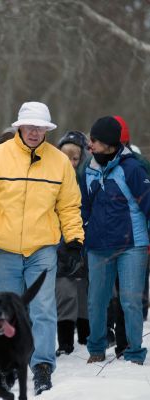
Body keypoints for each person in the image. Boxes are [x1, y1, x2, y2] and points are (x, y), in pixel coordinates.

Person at [0, 101, 84, 395]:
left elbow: (69, 205)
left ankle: (41, 365)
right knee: (4, 312)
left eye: (39, 127)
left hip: (42, 248)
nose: (34, 132)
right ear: (19, 127)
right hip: (4, 249)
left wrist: (75, 241)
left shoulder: (59, 162)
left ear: (47, 129)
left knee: (42, 308)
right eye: (29, 126)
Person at [81, 116, 150, 365]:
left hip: (133, 245)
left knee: (130, 300)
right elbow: (83, 207)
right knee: (96, 300)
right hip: (98, 246)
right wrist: (84, 234)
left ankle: (133, 352)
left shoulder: (132, 169)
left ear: (110, 145)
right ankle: (96, 348)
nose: (90, 145)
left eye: (95, 141)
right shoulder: (87, 169)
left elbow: (148, 204)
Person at [55, 131, 90, 356]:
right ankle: (65, 341)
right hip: (58, 242)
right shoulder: (53, 178)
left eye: (75, 158)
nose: (70, 162)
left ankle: (86, 335)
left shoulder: (87, 178)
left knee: (84, 289)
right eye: (65, 156)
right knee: (64, 291)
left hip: (84, 240)